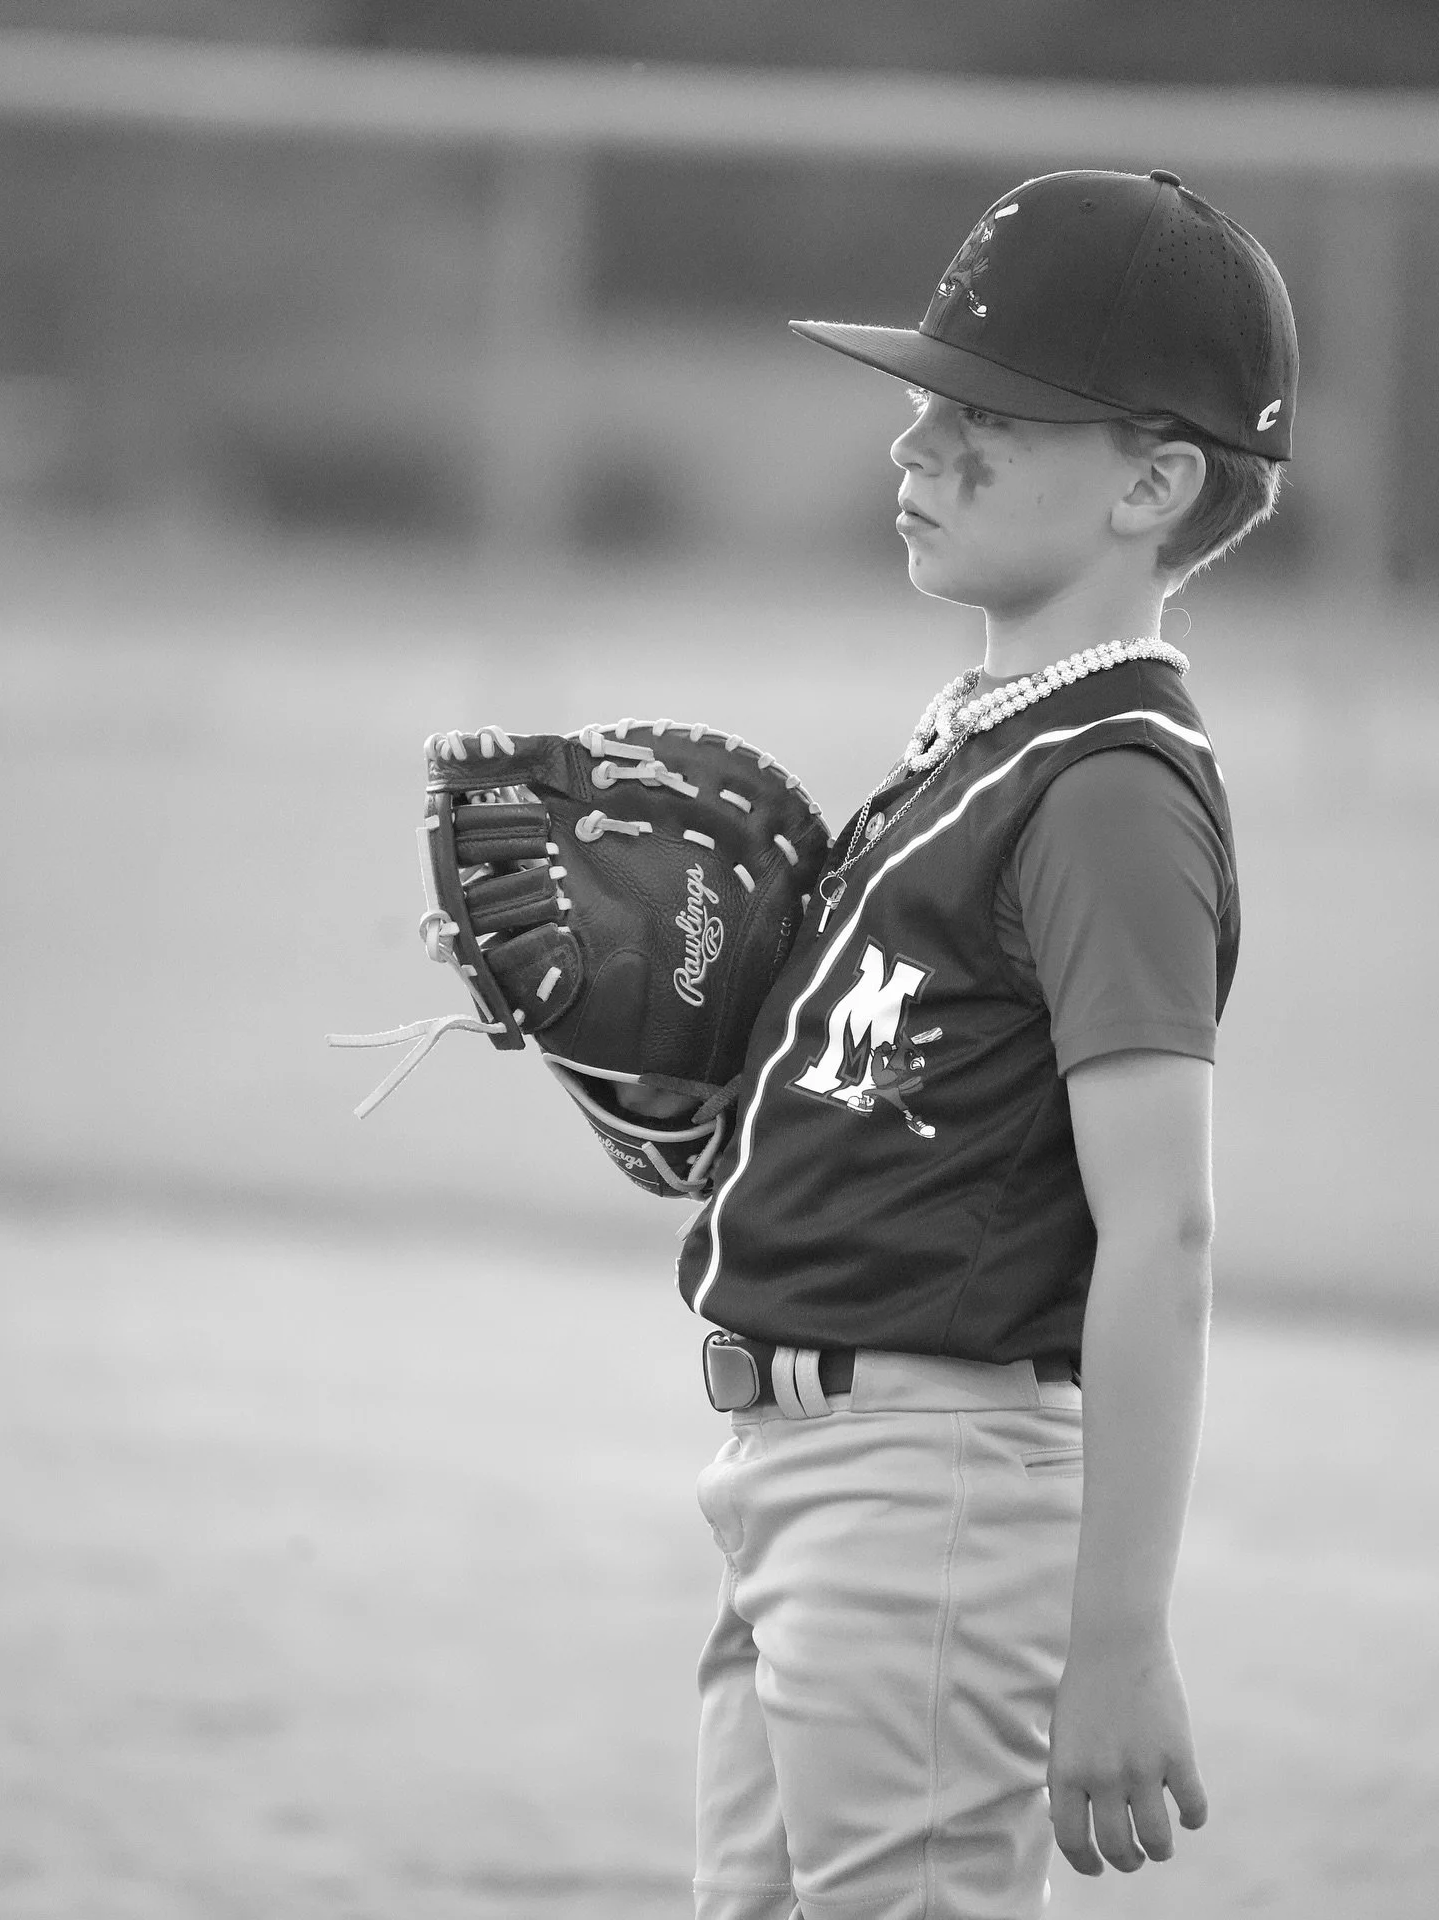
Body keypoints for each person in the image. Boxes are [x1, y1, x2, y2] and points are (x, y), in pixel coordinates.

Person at [671, 167, 1299, 1920]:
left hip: (931, 1493)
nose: (918, 444)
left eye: (989, 420)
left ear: (1152, 484)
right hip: (809, 1473)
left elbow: (1162, 1231)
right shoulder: (987, 751)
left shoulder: (1107, 794)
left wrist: (1119, 1640)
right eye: (929, 404)